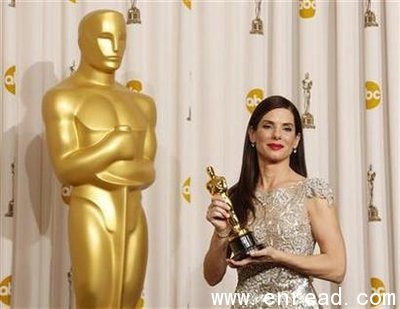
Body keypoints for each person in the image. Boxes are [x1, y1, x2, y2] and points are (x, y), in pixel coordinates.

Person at [42, 10, 156, 308]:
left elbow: (147, 171)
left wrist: (98, 167)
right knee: (94, 297)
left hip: (133, 213)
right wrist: (114, 148)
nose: (115, 48)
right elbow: (66, 168)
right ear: (83, 41)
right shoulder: (63, 97)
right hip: (91, 208)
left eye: (121, 38)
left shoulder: (141, 104)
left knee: (128, 298)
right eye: (106, 38)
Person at [203, 96, 346, 308]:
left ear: (296, 140)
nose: (277, 135)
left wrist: (276, 256)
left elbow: (336, 268)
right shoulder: (235, 197)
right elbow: (212, 277)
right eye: (268, 126)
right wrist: (220, 233)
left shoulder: (312, 192)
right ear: (252, 134)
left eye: (287, 129)